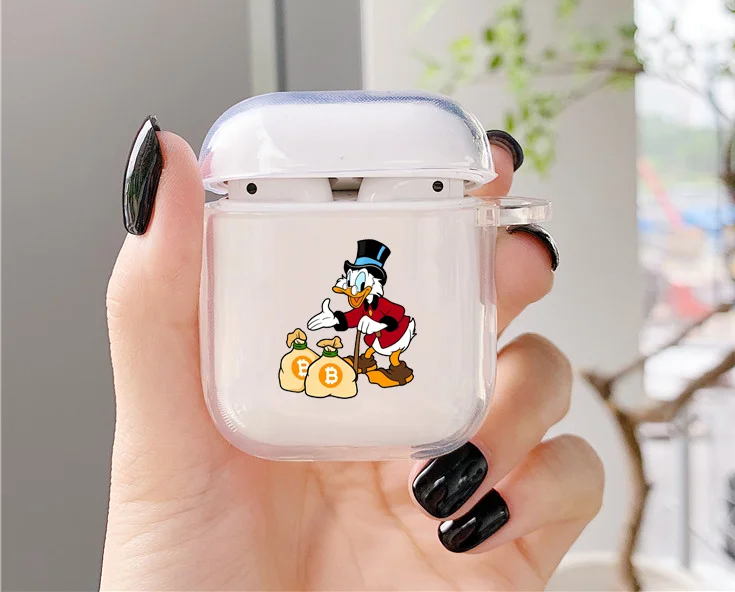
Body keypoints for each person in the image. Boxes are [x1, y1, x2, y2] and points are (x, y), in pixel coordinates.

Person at [103, 120, 604, 591]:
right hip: (322, 398)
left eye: (359, 278)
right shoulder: (333, 316)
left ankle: (382, 371)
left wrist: (358, 326)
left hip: (389, 344)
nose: (352, 283)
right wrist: (329, 321)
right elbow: (343, 319)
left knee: (390, 361)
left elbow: (383, 322)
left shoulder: (380, 305)